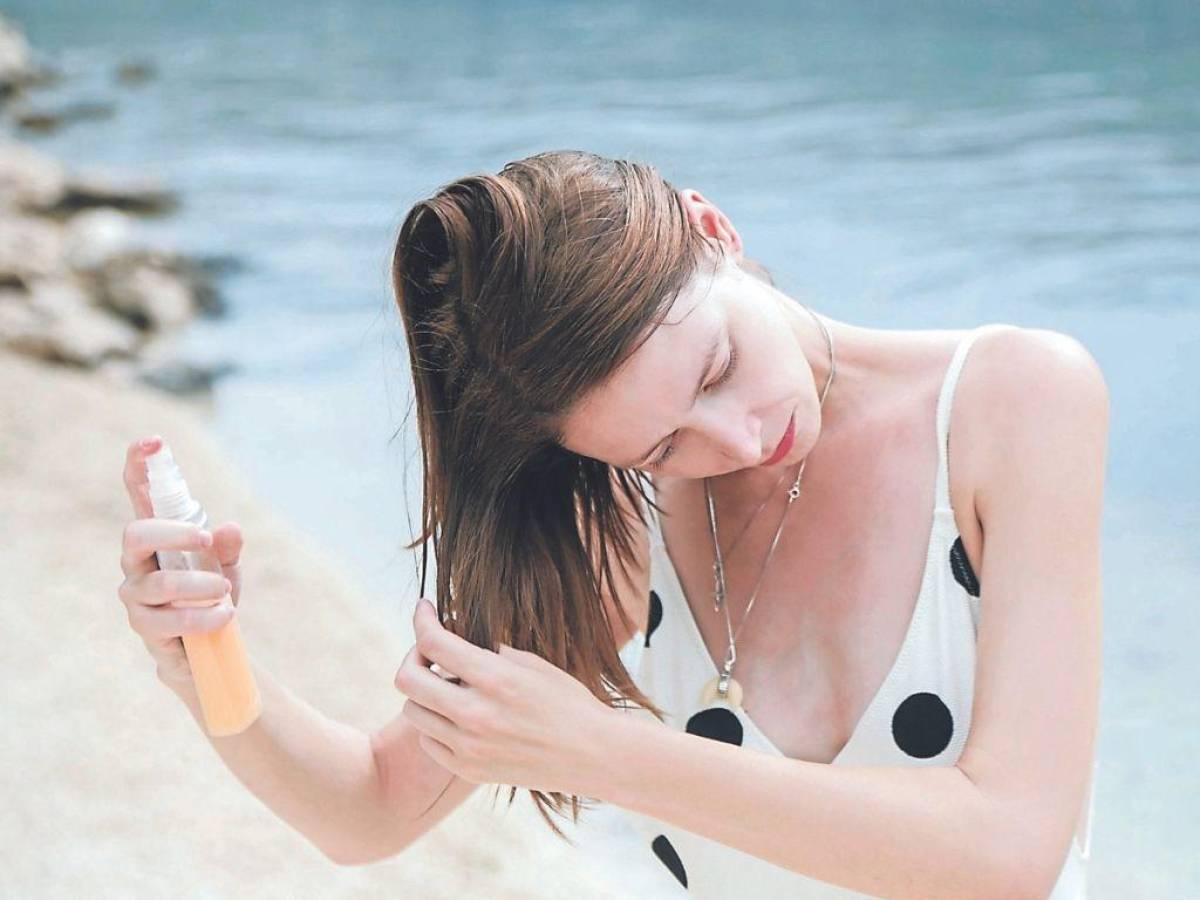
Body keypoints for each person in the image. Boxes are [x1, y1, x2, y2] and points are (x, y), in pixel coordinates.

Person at [117, 150, 1105, 898]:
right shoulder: (618, 524)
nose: (741, 435)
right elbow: (370, 809)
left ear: (711, 227)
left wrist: (601, 751)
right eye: (664, 447)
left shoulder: (1009, 402)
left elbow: (1010, 848)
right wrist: (202, 658)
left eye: (714, 369)